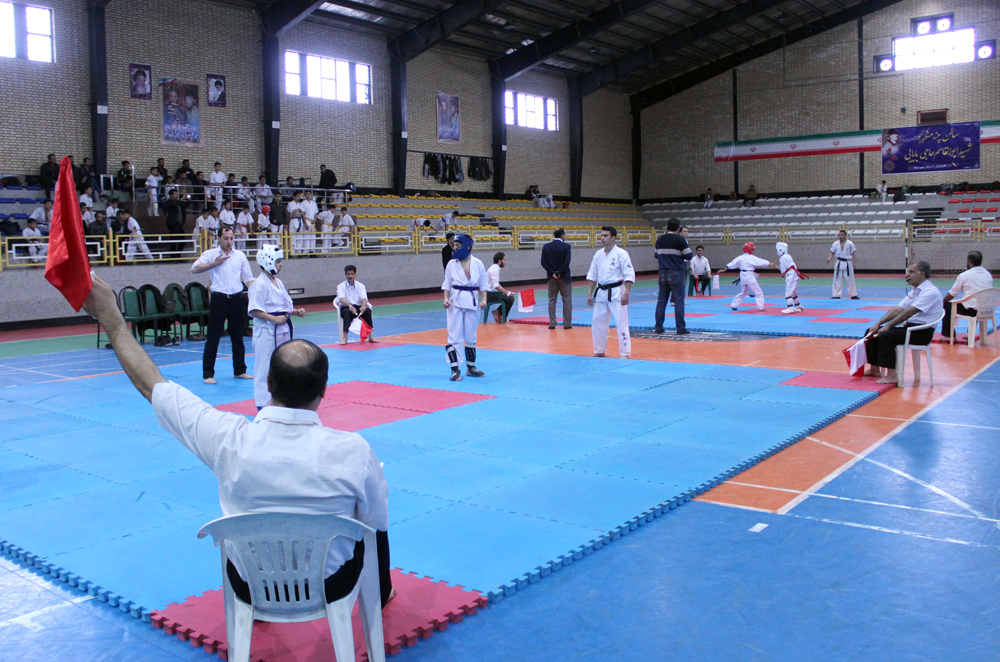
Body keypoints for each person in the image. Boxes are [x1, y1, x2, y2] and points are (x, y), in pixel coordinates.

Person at [79, 277, 394, 612]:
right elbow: (377, 520)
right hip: (330, 585)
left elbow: (152, 386)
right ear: (324, 390)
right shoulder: (354, 451)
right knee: (373, 526)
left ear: (268, 383)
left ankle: (255, 614)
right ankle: (381, 594)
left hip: (251, 585)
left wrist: (112, 318)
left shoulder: (227, 439)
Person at [191, 225, 254, 384]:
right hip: (219, 299)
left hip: (237, 299)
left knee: (237, 336)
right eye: (225, 238)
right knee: (213, 337)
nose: (229, 241)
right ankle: (208, 374)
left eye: (231, 238)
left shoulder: (240, 256)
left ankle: (240, 370)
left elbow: (249, 279)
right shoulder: (211, 254)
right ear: (218, 238)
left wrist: (257, 296)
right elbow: (194, 269)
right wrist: (214, 264)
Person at [862, 262, 943, 384]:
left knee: (885, 335)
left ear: (922, 274)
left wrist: (888, 326)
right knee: (871, 332)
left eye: (911, 272)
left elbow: (909, 312)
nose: (907, 275)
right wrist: (878, 324)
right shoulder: (915, 291)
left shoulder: (930, 291)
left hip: (921, 332)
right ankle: (874, 369)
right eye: (907, 271)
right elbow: (898, 309)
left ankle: (892, 375)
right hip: (910, 328)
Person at [248, 244, 305, 410]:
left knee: (284, 365)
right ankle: (262, 405)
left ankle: (283, 400)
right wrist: (273, 319)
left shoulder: (278, 282)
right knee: (264, 368)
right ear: (268, 262)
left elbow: (283, 305)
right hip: (266, 331)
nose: (280, 265)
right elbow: (254, 310)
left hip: (282, 329)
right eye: (278, 261)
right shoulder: (259, 284)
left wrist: (295, 312)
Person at [442, 234, 487, 380]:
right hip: (455, 301)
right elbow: (447, 284)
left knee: (471, 335)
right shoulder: (451, 264)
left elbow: (483, 284)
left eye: (457, 245)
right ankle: (454, 369)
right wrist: (445, 299)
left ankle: (471, 367)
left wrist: (484, 300)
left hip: (472, 300)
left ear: (467, 247)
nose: (454, 247)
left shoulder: (478, 263)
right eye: (454, 245)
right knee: (454, 335)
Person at [586, 226, 635, 358]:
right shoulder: (598, 254)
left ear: (613, 238)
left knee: (621, 322)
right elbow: (592, 275)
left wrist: (626, 293)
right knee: (597, 322)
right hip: (601, 292)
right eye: (601, 235)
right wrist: (590, 293)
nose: (602, 238)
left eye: (605, 235)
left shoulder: (621, 254)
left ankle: (625, 352)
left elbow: (629, 274)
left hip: (617, 292)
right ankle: (599, 350)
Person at [942, 250, 993, 341]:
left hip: (972, 310)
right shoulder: (988, 274)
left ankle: (949, 335)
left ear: (969, 261)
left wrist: (942, 301)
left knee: (947, 305)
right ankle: (970, 333)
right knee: (976, 302)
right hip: (987, 310)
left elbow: (952, 294)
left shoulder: (964, 275)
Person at [653, 218, 692, 335]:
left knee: (661, 300)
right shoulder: (681, 240)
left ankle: (658, 327)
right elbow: (689, 256)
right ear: (678, 228)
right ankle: (680, 328)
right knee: (679, 300)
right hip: (676, 272)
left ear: (667, 227)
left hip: (662, 272)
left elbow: (656, 255)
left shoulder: (660, 240)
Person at [716, 243, 776, 311]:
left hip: (743, 275)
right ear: (749, 250)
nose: (753, 251)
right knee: (758, 292)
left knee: (743, 292)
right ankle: (760, 307)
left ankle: (734, 305)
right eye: (752, 249)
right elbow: (763, 262)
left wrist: (723, 270)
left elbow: (731, 264)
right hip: (749, 276)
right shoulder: (751, 258)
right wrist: (770, 264)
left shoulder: (740, 257)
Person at [336, 265, 377, 345]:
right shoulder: (340, 286)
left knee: (368, 311)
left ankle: (371, 337)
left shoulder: (360, 286)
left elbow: (363, 297)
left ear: (355, 274)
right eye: (348, 274)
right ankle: (345, 337)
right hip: (346, 307)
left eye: (352, 274)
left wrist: (363, 305)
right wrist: (349, 306)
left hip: (358, 308)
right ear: (345, 275)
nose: (350, 276)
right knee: (347, 312)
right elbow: (341, 299)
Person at [541, 228, 573, 330]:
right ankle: (567, 324)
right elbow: (567, 262)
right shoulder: (566, 246)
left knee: (552, 300)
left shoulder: (546, 247)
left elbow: (543, 262)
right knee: (567, 300)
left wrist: (553, 273)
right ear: (562, 235)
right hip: (564, 277)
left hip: (551, 278)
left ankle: (552, 323)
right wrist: (559, 272)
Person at [827, 229, 858, 299]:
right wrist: (829, 258)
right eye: (839, 235)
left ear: (845, 235)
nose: (840, 236)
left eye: (842, 235)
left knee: (850, 279)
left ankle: (853, 295)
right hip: (839, 262)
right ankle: (836, 295)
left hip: (847, 262)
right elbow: (832, 252)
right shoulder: (835, 244)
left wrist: (854, 263)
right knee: (837, 279)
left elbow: (854, 253)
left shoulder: (850, 243)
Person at [486, 252, 516, 324]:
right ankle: (499, 313)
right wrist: (506, 292)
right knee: (510, 299)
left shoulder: (494, 268)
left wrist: (505, 292)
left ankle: (498, 312)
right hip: (490, 294)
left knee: (508, 297)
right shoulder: (494, 269)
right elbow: (496, 286)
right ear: (499, 261)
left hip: (491, 293)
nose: (505, 262)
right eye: (504, 260)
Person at [776, 242, 805, 314]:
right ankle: (798, 305)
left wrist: (782, 273)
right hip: (794, 273)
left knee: (788, 291)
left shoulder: (783, 258)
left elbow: (783, 269)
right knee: (794, 291)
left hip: (790, 275)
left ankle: (790, 307)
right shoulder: (788, 256)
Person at [164, 189, 190, 255]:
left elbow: (185, 205)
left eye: (177, 194)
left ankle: (178, 255)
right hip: (173, 224)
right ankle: (173, 256)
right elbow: (173, 204)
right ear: (171, 195)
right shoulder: (169, 202)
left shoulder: (179, 202)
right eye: (175, 194)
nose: (176, 196)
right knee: (173, 240)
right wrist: (181, 200)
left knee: (182, 240)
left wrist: (188, 200)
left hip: (179, 224)